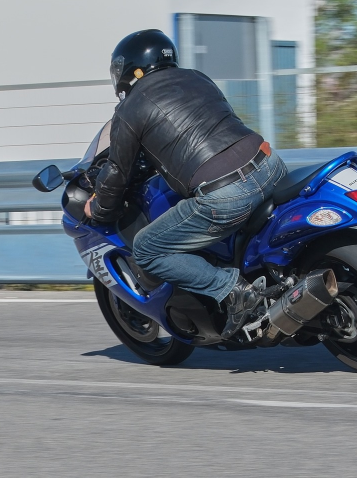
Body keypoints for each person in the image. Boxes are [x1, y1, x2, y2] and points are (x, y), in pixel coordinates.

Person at [84, 29, 287, 339]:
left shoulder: (130, 108)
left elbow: (116, 172)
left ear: (129, 69)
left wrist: (99, 208)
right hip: (270, 165)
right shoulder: (198, 78)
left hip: (225, 194)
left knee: (147, 249)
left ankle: (232, 290)